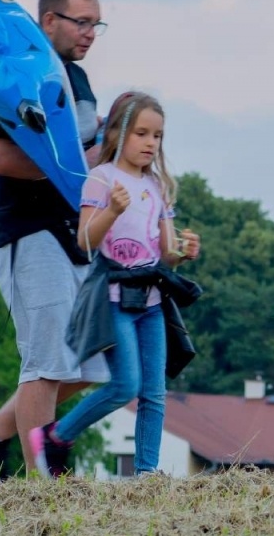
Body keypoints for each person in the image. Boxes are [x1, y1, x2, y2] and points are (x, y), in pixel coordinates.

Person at [0, 0, 111, 479]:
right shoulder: (21, 73)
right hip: (30, 233)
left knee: (92, 364)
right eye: (81, 21)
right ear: (48, 20)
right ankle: (45, 486)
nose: (89, 33)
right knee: (45, 364)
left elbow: (85, 152)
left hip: (75, 235)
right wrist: (71, 165)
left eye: (96, 24)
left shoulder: (78, 80)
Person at [30, 92, 200, 476]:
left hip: (152, 301)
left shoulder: (157, 187)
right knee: (125, 386)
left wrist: (184, 250)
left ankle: (146, 474)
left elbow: (165, 252)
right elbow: (86, 240)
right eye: (142, 133)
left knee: (154, 392)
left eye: (157, 136)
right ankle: (56, 435)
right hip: (112, 298)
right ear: (118, 135)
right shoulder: (101, 179)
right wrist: (113, 210)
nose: (150, 143)